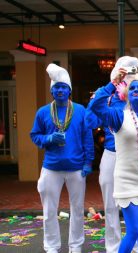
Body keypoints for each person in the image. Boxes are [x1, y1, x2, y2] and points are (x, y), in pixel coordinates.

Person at [89, 69, 138, 253]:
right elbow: (95, 106)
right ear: (126, 94)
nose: (136, 90)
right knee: (133, 229)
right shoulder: (119, 116)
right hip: (126, 182)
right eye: (132, 88)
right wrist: (113, 83)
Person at [30, 63, 94, 253]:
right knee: (49, 210)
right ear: (52, 90)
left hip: (76, 168)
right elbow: (35, 135)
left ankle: (76, 246)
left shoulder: (80, 110)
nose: (60, 90)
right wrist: (48, 138)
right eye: (56, 87)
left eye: (63, 87)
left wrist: (88, 162)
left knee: (77, 209)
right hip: (51, 167)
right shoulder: (42, 112)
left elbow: (87, 137)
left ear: (69, 90)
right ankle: (51, 247)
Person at [85, 56, 138, 253]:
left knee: (134, 204)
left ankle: (132, 246)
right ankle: (113, 247)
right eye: (123, 75)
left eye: (131, 74)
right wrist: (111, 85)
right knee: (110, 206)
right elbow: (89, 120)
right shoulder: (106, 97)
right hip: (111, 154)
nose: (128, 79)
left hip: (133, 156)